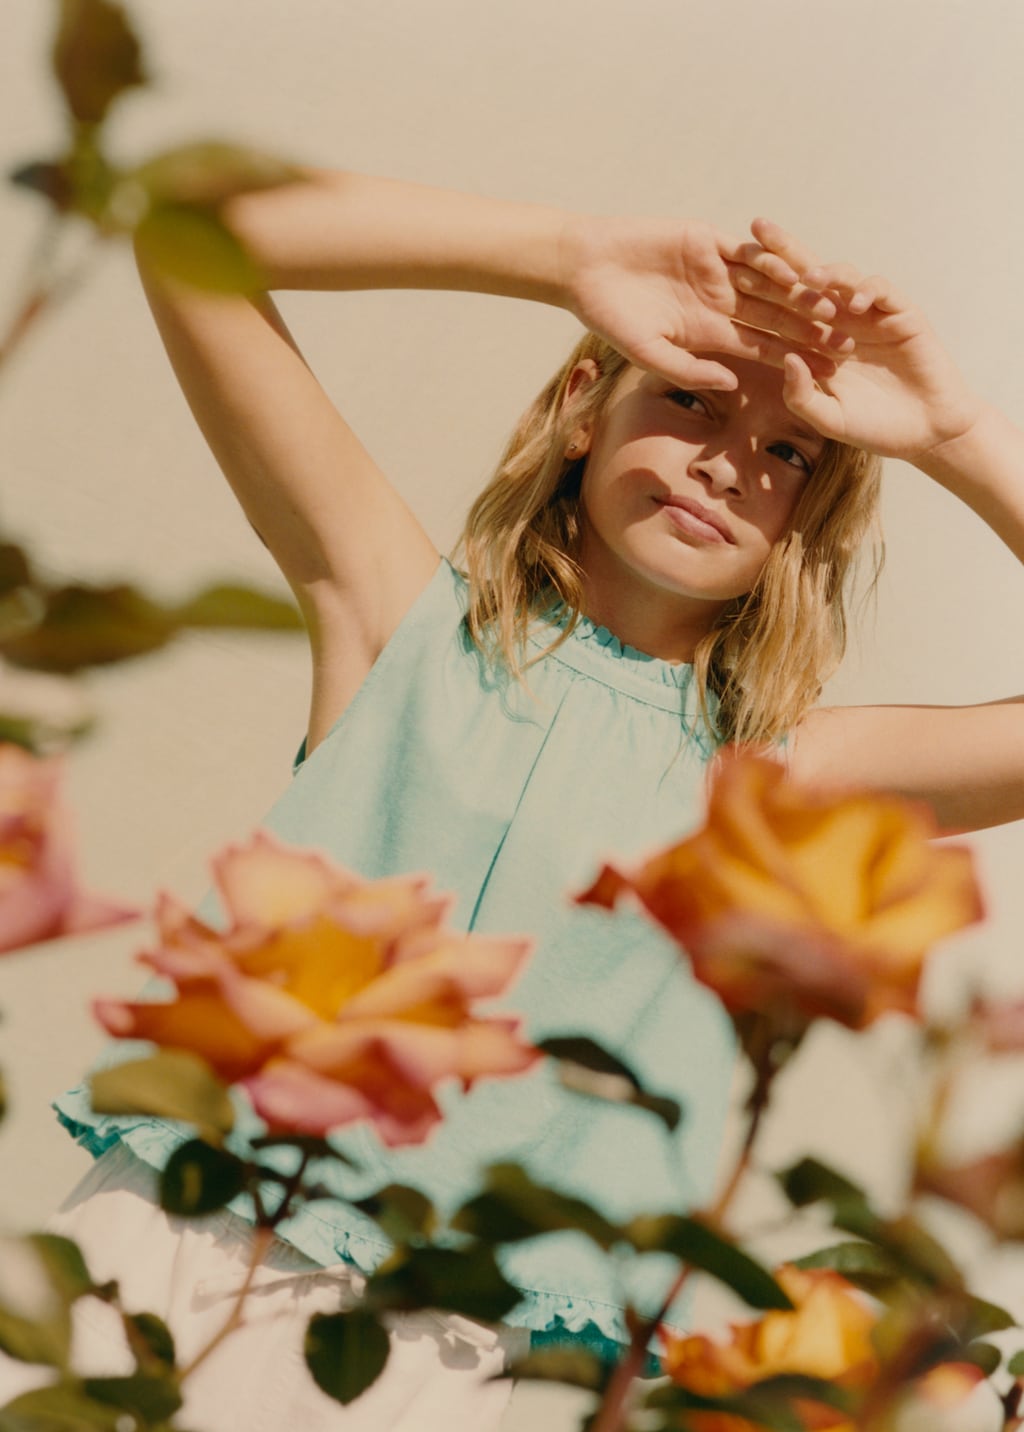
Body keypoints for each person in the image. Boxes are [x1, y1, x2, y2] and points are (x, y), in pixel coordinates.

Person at [16, 172, 1024, 1429]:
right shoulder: (398, 619)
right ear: (578, 410)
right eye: (690, 397)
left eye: (786, 454)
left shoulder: (780, 778)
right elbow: (189, 239)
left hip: (483, 1366)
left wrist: (949, 431)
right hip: (188, 1257)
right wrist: (567, 255)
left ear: (804, 524)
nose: (723, 463)